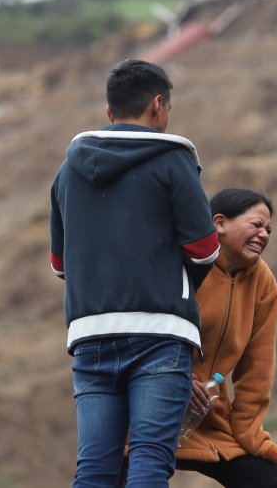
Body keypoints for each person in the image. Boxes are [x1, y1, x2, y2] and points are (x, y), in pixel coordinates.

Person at [49, 58, 221, 488]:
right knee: (148, 459)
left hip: (89, 334)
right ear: (159, 106)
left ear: (109, 112)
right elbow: (204, 250)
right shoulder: (173, 159)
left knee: (95, 468)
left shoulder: (66, 172)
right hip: (160, 333)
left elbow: (60, 265)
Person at [121, 187, 277, 488]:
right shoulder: (181, 261)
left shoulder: (264, 284)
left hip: (207, 417)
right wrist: (180, 378)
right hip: (154, 403)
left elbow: (258, 369)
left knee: (268, 479)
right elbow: (144, 331)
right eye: (256, 224)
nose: (264, 234)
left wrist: (248, 431)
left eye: (269, 229)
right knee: (125, 472)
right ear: (219, 223)